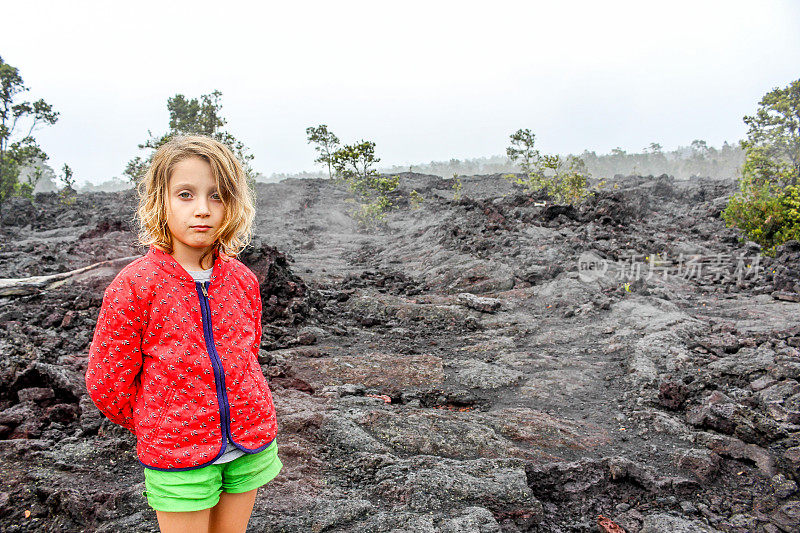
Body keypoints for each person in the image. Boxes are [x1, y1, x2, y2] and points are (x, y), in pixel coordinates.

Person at [85, 135, 282, 533]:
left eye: (217, 196)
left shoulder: (242, 279)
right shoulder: (136, 285)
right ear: (160, 202)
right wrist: (159, 419)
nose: (203, 210)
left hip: (250, 440)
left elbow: (250, 350)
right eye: (186, 194)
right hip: (176, 451)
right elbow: (108, 380)